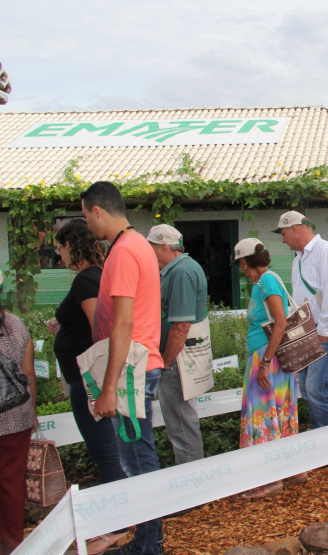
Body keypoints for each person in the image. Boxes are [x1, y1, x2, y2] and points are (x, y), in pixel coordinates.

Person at [80, 181, 164, 555]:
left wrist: (109, 386)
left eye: (86, 216)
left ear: (98, 210)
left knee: (137, 459)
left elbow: (124, 323)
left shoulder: (126, 251)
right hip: (135, 367)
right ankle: (148, 540)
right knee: (137, 457)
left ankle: (150, 545)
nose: (88, 226)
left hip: (132, 371)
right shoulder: (133, 246)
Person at [46, 219, 129, 555]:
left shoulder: (85, 279)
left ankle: (118, 526)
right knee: (109, 451)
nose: (58, 252)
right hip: (88, 379)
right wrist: (63, 325)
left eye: (60, 246)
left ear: (73, 245)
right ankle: (120, 519)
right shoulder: (96, 275)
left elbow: (100, 329)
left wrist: (100, 385)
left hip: (87, 381)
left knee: (105, 452)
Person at [234, 238, 299, 498]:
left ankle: (268, 479)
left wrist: (264, 362)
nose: (241, 268)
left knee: (262, 411)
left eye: (241, 263)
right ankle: (291, 468)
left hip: (267, 356)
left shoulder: (266, 281)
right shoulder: (261, 283)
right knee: (279, 409)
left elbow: (280, 322)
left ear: (247, 261)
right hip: (271, 357)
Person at [275, 211, 328, 429]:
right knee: (306, 389)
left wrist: (323, 331)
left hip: (322, 332)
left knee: (317, 389)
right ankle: (321, 436)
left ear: (295, 228)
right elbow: (298, 299)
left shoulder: (326, 252)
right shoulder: (298, 259)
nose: (283, 239)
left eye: (284, 233)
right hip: (305, 333)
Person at [147, 224, 205, 466]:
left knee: (181, 424)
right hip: (176, 358)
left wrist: (165, 361)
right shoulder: (178, 269)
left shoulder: (180, 272)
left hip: (175, 360)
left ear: (163, 247)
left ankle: (192, 482)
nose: (147, 253)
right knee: (181, 421)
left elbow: (181, 326)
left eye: (150, 247)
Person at [0, 277, 37, 555]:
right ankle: (13, 546)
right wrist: (32, 412)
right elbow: (28, 375)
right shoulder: (16, 325)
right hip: (16, 416)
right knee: (12, 484)